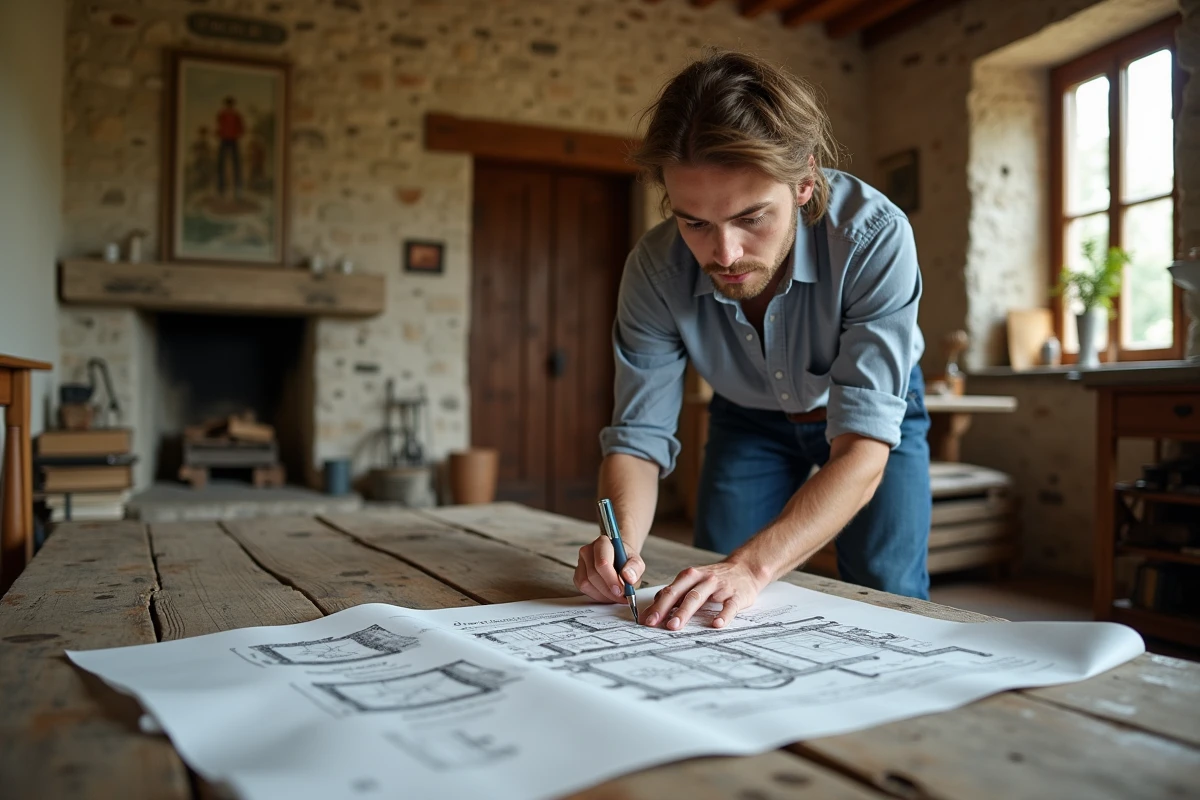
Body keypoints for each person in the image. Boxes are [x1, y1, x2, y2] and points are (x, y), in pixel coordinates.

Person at [574, 50, 931, 631]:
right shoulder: (655, 270)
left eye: (751, 217)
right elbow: (638, 438)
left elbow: (864, 451)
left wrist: (754, 566)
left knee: (889, 594)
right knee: (712, 599)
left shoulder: (875, 236)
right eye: (694, 222)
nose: (725, 253)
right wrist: (620, 546)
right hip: (747, 412)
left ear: (804, 184)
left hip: (872, 422)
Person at [215, 96, 245, 197]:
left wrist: (236, 134)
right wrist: (220, 134)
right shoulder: (222, 115)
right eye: (228, 104)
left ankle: (238, 187)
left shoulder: (237, 116)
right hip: (224, 140)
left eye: (230, 104)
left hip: (233, 140)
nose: (229, 106)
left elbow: (241, 128)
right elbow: (219, 126)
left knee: (236, 163)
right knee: (221, 162)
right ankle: (221, 187)